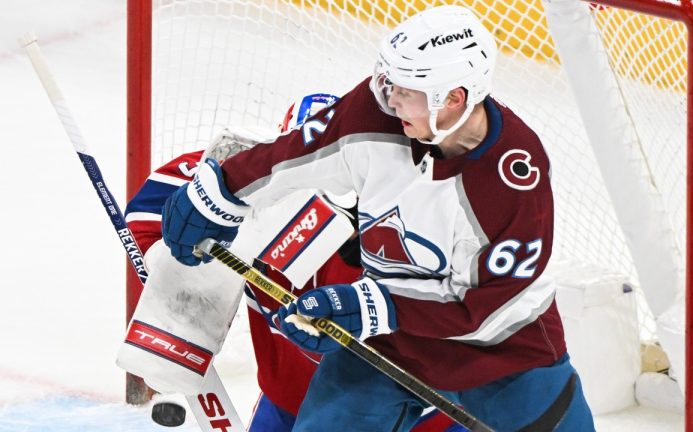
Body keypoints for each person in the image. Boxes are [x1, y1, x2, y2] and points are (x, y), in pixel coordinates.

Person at [159, 5, 594, 431]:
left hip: (503, 353)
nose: (390, 97)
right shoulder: (378, 110)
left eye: (408, 90)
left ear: (453, 99)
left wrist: (369, 306)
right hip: (388, 342)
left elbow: (483, 307)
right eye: (391, 81)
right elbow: (297, 153)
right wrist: (220, 192)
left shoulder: (514, 177)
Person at [126, 93, 458, 431]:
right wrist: (174, 261)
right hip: (284, 406)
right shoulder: (252, 187)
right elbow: (150, 206)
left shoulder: (403, 226)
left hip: (418, 420)